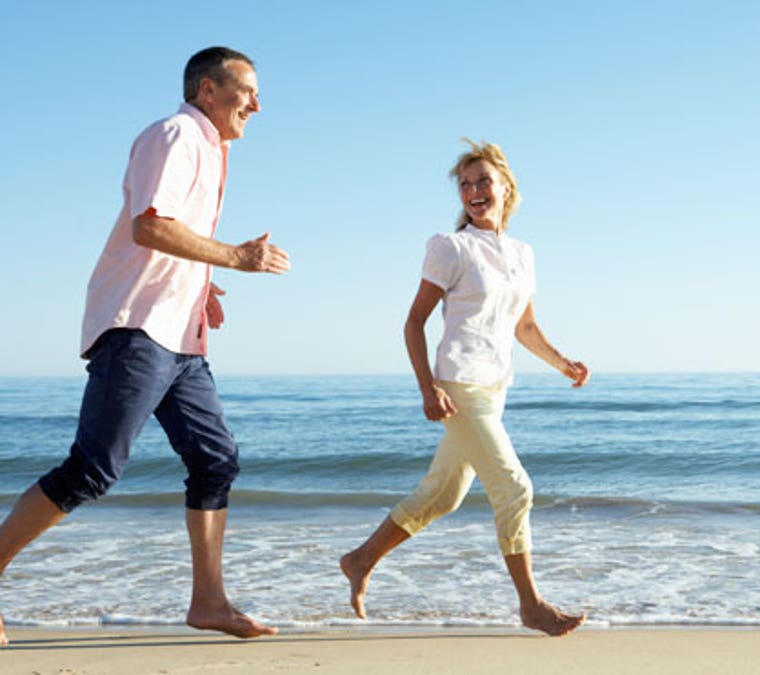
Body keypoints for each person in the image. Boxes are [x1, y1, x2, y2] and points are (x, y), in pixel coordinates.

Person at [0, 46, 289, 646]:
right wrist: (236, 255)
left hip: (181, 335)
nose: (257, 105)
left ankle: (209, 602)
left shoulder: (213, 150)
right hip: (137, 328)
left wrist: (204, 285)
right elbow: (149, 225)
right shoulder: (176, 134)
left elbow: (171, 237)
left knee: (215, 460)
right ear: (208, 91)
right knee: (93, 469)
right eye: (247, 91)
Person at [340, 140, 588, 636]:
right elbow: (413, 322)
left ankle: (361, 558)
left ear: (506, 188)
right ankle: (531, 605)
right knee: (515, 488)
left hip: (495, 385)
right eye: (466, 184)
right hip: (459, 380)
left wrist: (563, 363)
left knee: (444, 494)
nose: (474, 191)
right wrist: (427, 387)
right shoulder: (450, 246)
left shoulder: (522, 253)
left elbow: (525, 326)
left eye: (483, 182)